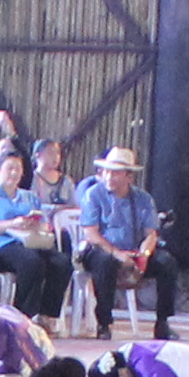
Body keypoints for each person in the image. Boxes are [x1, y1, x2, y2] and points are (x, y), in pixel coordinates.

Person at [71, 144, 167, 338]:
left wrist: (144, 255)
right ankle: (104, 323)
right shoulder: (93, 195)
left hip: (133, 251)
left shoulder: (143, 199)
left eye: (115, 173)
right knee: (104, 262)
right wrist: (117, 253)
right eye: (106, 172)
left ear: (129, 177)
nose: (109, 177)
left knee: (167, 263)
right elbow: (91, 234)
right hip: (101, 249)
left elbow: (151, 233)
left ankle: (163, 321)